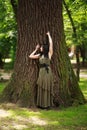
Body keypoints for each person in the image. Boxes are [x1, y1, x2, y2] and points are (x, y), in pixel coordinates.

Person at [29, 31, 54, 109]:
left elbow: (51, 45)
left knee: (47, 86)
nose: (40, 48)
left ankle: (47, 105)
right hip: (41, 72)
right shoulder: (40, 55)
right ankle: (41, 104)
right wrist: (36, 49)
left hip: (47, 72)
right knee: (41, 86)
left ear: (44, 48)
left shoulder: (49, 54)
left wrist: (49, 35)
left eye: (41, 47)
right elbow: (30, 56)